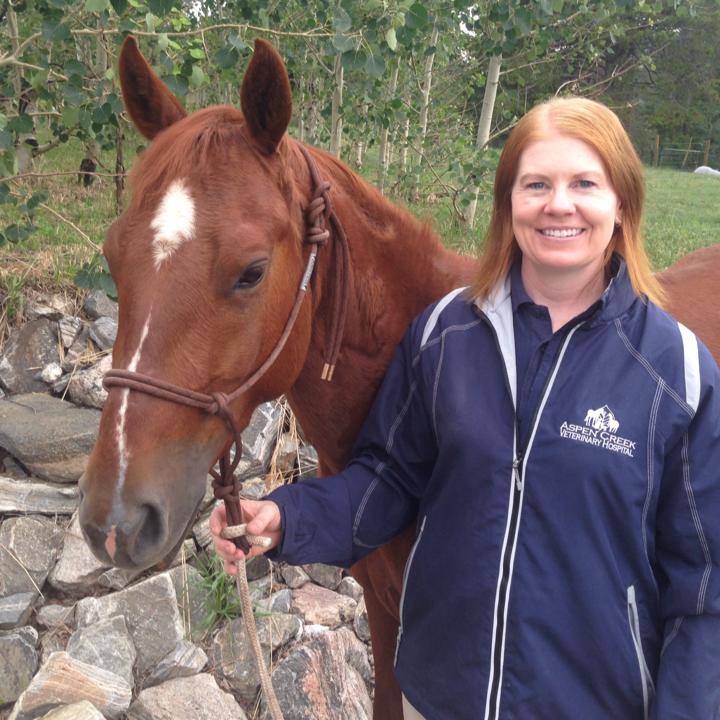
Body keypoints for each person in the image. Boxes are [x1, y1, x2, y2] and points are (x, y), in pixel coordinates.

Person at [210, 97, 720, 720]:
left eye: (584, 183)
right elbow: (388, 480)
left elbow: (703, 587)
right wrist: (282, 520)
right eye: (536, 184)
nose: (559, 203)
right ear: (509, 203)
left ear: (622, 203)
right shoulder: (445, 334)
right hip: (442, 699)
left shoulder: (676, 372)